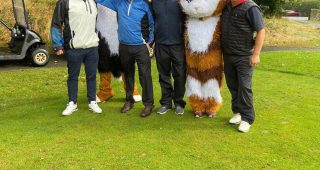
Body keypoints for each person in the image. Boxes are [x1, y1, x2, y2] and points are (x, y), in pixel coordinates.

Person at [96, 0, 155, 117]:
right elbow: (100, 1)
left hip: (141, 46)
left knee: (145, 75)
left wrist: (149, 42)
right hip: (124, 46)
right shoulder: (119, 3)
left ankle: (148, 104)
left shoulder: (144, 4)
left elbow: (152, 24)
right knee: (127, 75)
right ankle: (129, 101)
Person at [51, 0, 102, 116]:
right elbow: (56, 23)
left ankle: (92, 101)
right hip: (74, 48)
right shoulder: (64, 2)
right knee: (73, 77)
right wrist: (57, 44)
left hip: (92, 46)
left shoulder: (93, 2)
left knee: (92, 76)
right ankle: (72, 103)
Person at [221, 0, 265, 132]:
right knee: (233, 86)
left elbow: (261, 30)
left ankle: (247, 118)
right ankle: (238, 112)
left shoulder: (250, 7)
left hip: (244, 56)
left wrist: (256, 54)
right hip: (228, 55)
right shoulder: (226, 6)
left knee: (244, 87)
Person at [151, 0, 186, 115]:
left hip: (178, 44)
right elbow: (152, 21)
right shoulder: (154, 2)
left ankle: (179, 103)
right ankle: (166, 103)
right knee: (164, 75)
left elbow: (187, 19)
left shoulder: (180, 1)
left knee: (180, 75)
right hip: (161, 44)